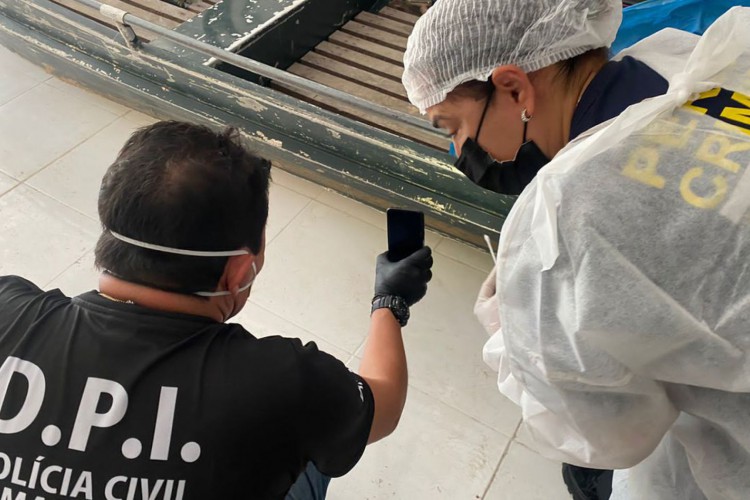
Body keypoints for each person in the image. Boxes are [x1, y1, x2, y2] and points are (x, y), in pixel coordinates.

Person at [403, 1, 750, 499]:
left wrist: (514, 335)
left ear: (514, 88)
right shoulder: (676, 57)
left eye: (452, 126)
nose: (458, 151)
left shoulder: (567, 217)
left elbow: (605, 436)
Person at [0, 121, 433, 500]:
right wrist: (389, 302)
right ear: (238, 271)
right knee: (317, 437)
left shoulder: (8, 309)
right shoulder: (285, 383)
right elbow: (382, 404)